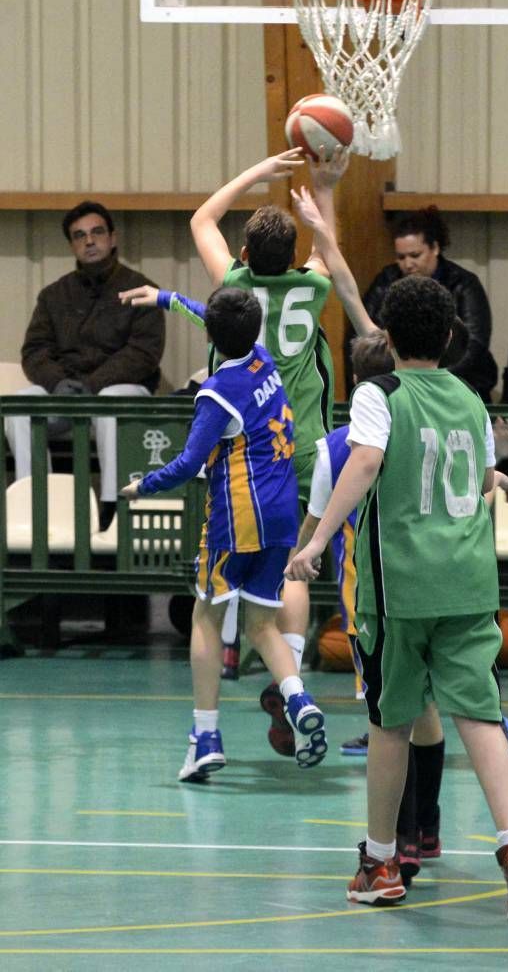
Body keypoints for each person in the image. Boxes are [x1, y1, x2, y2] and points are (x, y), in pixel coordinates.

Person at [285, 275, 508, 920]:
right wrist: (500, 479)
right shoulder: (468, 395)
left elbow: (368, 460)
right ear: (453, 336)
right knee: (479, 715)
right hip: (468, 583)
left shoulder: (381, 394)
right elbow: (473, 473)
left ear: (388, 336)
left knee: (391, 721)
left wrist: (315, 541)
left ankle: (379, 862)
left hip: (400, 588)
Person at [120, 287, 327, 778]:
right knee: (261, 625)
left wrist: (141, 486)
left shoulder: (216, 393)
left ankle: (206, 735)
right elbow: (211, 316)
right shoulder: (265, 359)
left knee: (206, 618)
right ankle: (296, 697)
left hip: (235, 521)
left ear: (211, 336)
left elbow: (189, 462)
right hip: (282, 519)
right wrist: (169, 299)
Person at [7, 201, 165, 529]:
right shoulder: (53, 295)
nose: (89, 241)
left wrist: (93, 386)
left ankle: (111, 508)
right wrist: (58, 384)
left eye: (96, 233)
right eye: (79, 236)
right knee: (20, 408)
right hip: (65, 391)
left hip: (121, 390)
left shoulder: (141, 289)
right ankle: (35, 504)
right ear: (72, 245)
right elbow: (35, 350)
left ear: (112, 238)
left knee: (110, 404)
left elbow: (144, 353)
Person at [360, 206, 498, 401]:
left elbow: (474, 346)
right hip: (397, 385)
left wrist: (431, 379)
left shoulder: (464, 285)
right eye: (401, 257)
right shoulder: (386, 281)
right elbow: (364, 336)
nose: (408, 264)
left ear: (435, 248)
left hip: (457, 386)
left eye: (415, 255)